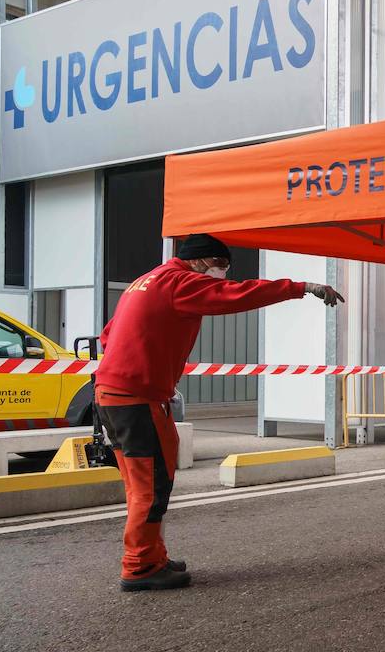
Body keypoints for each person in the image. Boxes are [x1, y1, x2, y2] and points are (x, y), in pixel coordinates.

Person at [95, 234, 344, 592]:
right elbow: (241, 294)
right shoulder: (181, 282)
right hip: (137, 399)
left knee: (142, 483)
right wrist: (301, 287)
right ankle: (140, 567)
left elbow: (109, 336)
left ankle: (152, 555)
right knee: (150, 487)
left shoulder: (143, 283)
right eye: (221, 266)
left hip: (115, 395)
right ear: (200, 262)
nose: (223, 275)